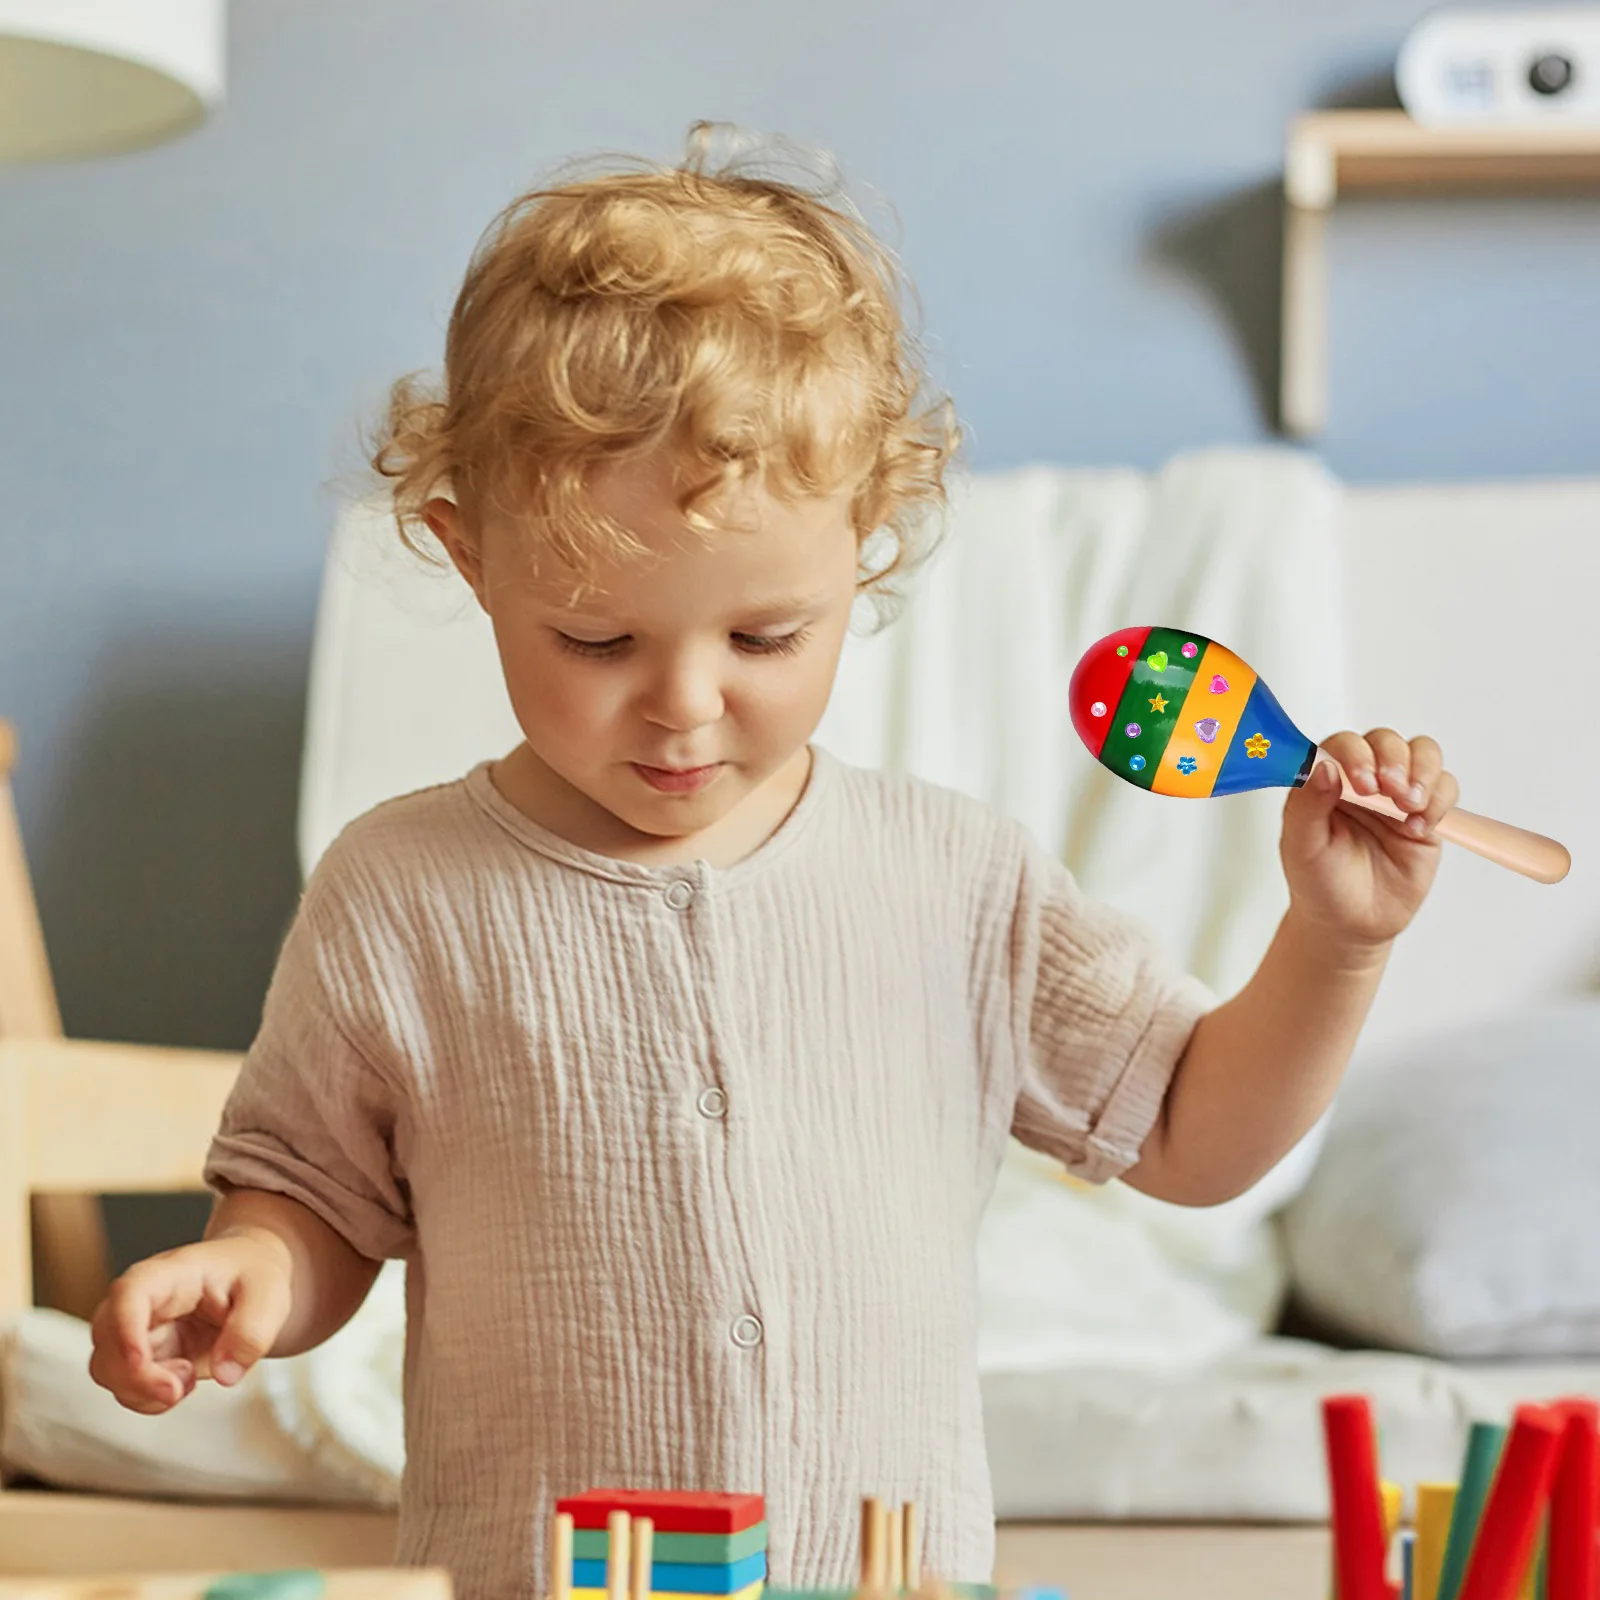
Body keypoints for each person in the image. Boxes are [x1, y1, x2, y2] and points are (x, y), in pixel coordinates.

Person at [87, 123, 1457, 1600]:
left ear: (866, 543)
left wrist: (1337, 942)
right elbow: (315, 1199)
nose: (684, 702)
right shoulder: (398, 894)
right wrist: (254, 1275)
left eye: (765, 636)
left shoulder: (955, 881)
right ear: (468, 555)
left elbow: (1199, 1134)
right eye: (598, 639)